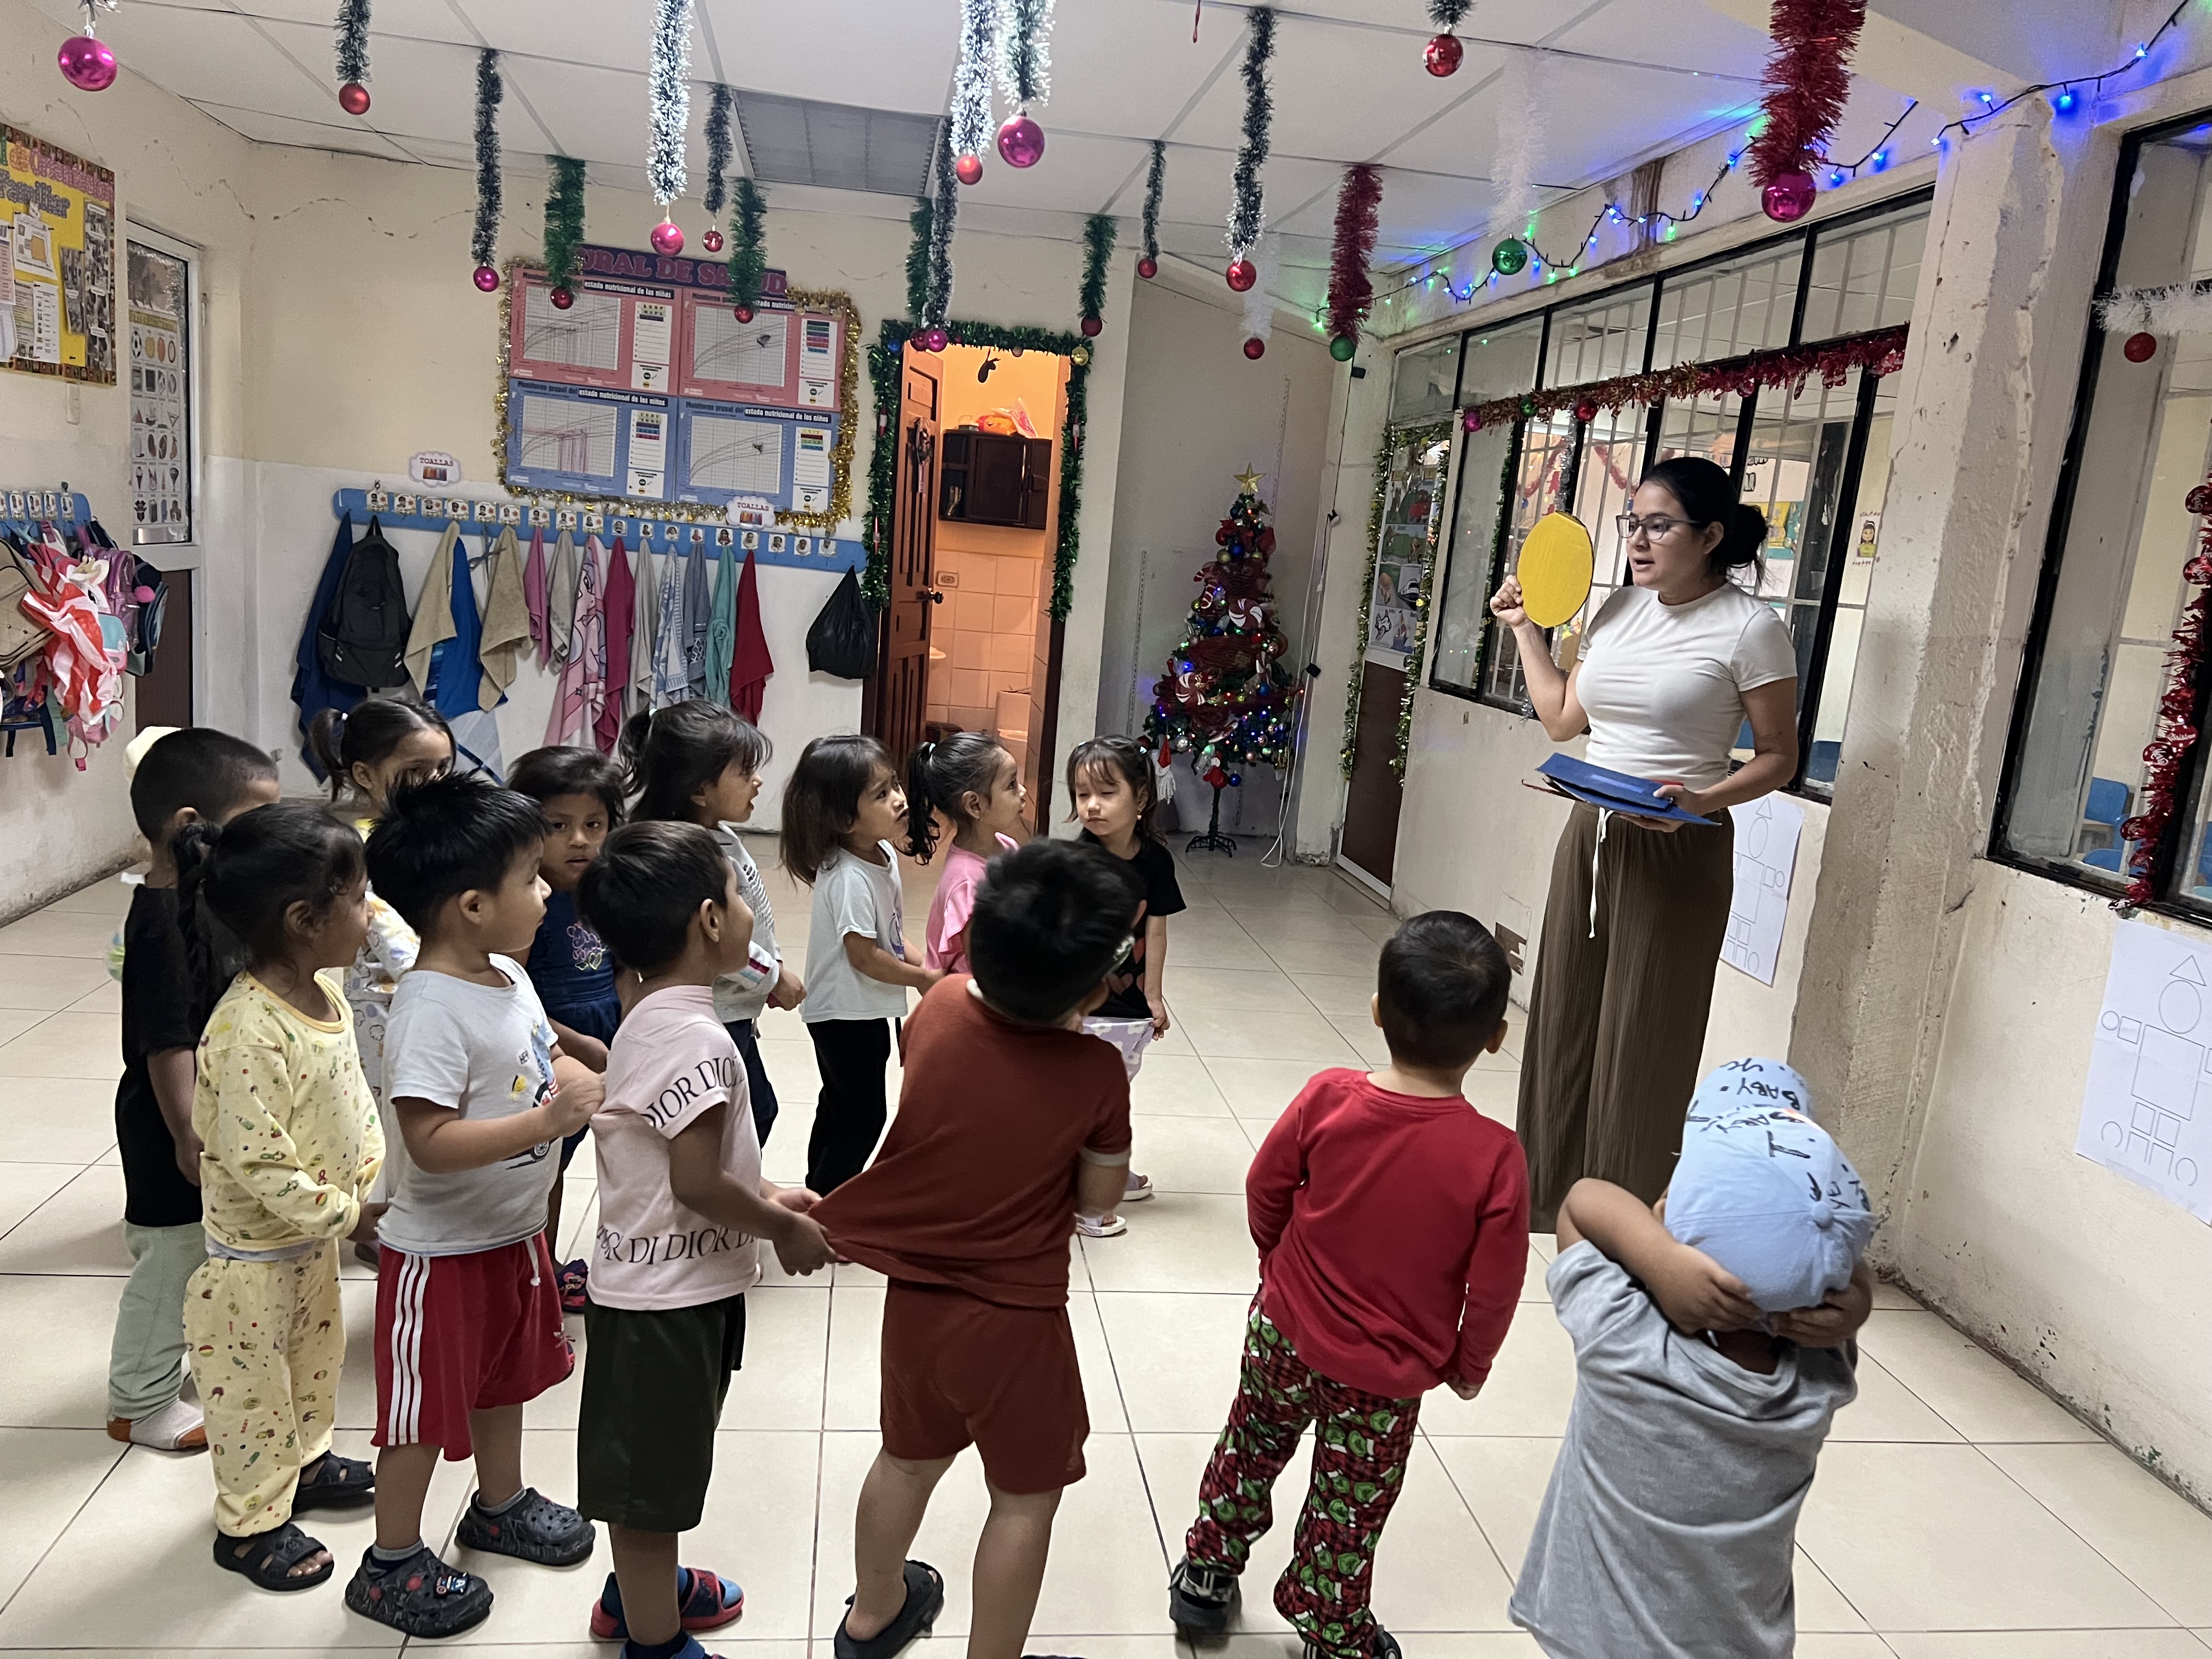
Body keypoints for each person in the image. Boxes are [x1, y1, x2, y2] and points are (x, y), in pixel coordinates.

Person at [1166, 912, 1531, 1659]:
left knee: (1250, 1445)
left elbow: (1265, 1186)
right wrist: (1470, 1365)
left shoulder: (1329, 1096)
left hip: (1283, 1334)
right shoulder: (1495, 1157)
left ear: (1376, 1010)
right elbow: (1496, 1287)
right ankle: (1329, 1625)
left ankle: (1206, 1572)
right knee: (1349, 1502)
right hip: (1385, 1378)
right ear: (1496, 1037)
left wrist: (1276, 1263)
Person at [814, 839, 1142, 1659]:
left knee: (905, 1460)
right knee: (1025, 1499)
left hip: (916, 1306)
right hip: (1015, 1322)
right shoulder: (1097, 1071)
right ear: (1095, 987)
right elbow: (1098, 1203)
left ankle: (872, 1616)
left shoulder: (940, 1007)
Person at [1488, 455, 1800, 1227]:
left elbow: (1779, 757)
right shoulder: (1618, 611)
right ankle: (1547, 1196)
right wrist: (1525, 631)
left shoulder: (1752, 628)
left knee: (1646, 1030)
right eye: (1634, 523)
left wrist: (1704, 799)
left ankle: (1622, 1216)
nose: (1637, 540)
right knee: (1564, 1010)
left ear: (1711, 536)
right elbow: (1563, 720)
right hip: (1590, 831)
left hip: (1679, 843)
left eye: (1659, 526)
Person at [347, 774, 603, 1639]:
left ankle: (499, 1505)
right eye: (530, 877)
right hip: (442, 1254)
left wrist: (578, 1061)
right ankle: (390, 1562)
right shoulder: (428, 1009)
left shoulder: (506, 972)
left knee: (505, 1379)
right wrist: (545, 1122)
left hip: (512, 1235)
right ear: (470, 906)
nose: (546, 891)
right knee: (421, 1415)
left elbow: (536, 1049)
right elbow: (429, 1140)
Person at [573, 820, 837, 1659]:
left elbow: (682, 1159)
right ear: (710, 921)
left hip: (672, 1291)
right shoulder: (696, 1037)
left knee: (657, 1472)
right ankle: (654, 1642)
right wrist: (783, 1227)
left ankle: (638, 1590)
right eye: (737, 891)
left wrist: (766, 1190)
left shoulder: (654, 1015)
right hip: (664, 1309)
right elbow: (693, 1183)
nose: (750, 908)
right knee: (652, 1491)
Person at [1509, 1058, 1876, 1658]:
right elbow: (1842, 1276)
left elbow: (1582, 1204)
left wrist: (1660, 1260)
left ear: (1662, 1219)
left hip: (1599, 1643)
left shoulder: (1625, 1341)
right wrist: (1857, 1299)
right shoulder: (1819, 1373)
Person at [177, 802, 386, 1590]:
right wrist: (351, 1215)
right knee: (251, 1401)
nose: (371, 913)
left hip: (309, 1243)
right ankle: (249, 1526)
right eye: (359, 899)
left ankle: (308, 1462)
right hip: (251, 1266)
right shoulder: (247, 1030)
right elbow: (259, 1163)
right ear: (304, 921)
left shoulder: (323, 994)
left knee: (314, 1366)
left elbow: (344, 1095)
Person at [107, 727, 280, 1454]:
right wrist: (186, 1132)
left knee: (202, 1256)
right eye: (255, 820)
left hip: (208, 1114)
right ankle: (138, 1404)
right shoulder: (160, 923)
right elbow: (166, 1042)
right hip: (169, 1123)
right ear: (189, 823)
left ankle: (168, 1369)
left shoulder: (204, 899)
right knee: (171, 1263)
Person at [308, 695, 455, 1264]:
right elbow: (390, 932)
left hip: (429, 991)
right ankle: (385, 1223)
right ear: (366, 775)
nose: (433, 783)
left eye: (443, 768)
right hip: (386, 1005)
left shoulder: (433, 833)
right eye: (415, 772)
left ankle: (412, 1212)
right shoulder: (363, 847)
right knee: (392, 1113)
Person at [625, 701, 802, 1145]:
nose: (757, 781)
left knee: (755, 1112)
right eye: (745, 772)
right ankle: (716, 1185)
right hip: (718, 1013)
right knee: (742, 1121)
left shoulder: (712, 835)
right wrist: (775, 977)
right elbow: (720, 942)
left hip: (733, 1006)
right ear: (700, 790)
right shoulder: (694, 857)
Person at [781, 734, 940, 1195]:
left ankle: (818, 1193)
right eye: (881, 794)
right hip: (843, 1016)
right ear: (842, 819)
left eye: (895, 785)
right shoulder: (849, 876)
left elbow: (891, 937)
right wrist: (922, 979)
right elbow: (865, 955)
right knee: (863, 1117)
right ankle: (831, 1203)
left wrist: (930, 966)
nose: (899, 798)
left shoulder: (881, 853)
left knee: (840, 1106)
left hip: (860, 1010)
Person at [509, 743, 629, 1312]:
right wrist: (574, 1042)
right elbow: (513, 992)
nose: (579, 840)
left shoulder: (603, 892)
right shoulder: (527, 900)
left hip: (602, 1038)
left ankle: (544, 1268)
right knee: (545, 1165)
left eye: (594, 825)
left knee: (570, 1156)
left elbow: (621, 968)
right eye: (558, 826)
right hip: (549, 1047)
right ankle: (540, 1274)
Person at [1067, 734, 1178, 1235]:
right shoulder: (1078, 863)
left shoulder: (1156, 861)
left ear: (1142, 798)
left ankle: (1105, 1173)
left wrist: (1153, 995)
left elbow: (1157, 929)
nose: (1091, 805)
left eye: (1106, 793)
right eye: (1082, 794)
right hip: (1085, 1008)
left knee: (1115, 1097)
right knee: (1089, 1101)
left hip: (1130, 1008)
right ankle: (1085, 1197)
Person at [905, 731, 1027, 976]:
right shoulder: (967, 883)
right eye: (1011, 785)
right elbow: (985, 965)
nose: (1023, 792)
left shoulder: (1006, 845)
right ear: (975, 805)